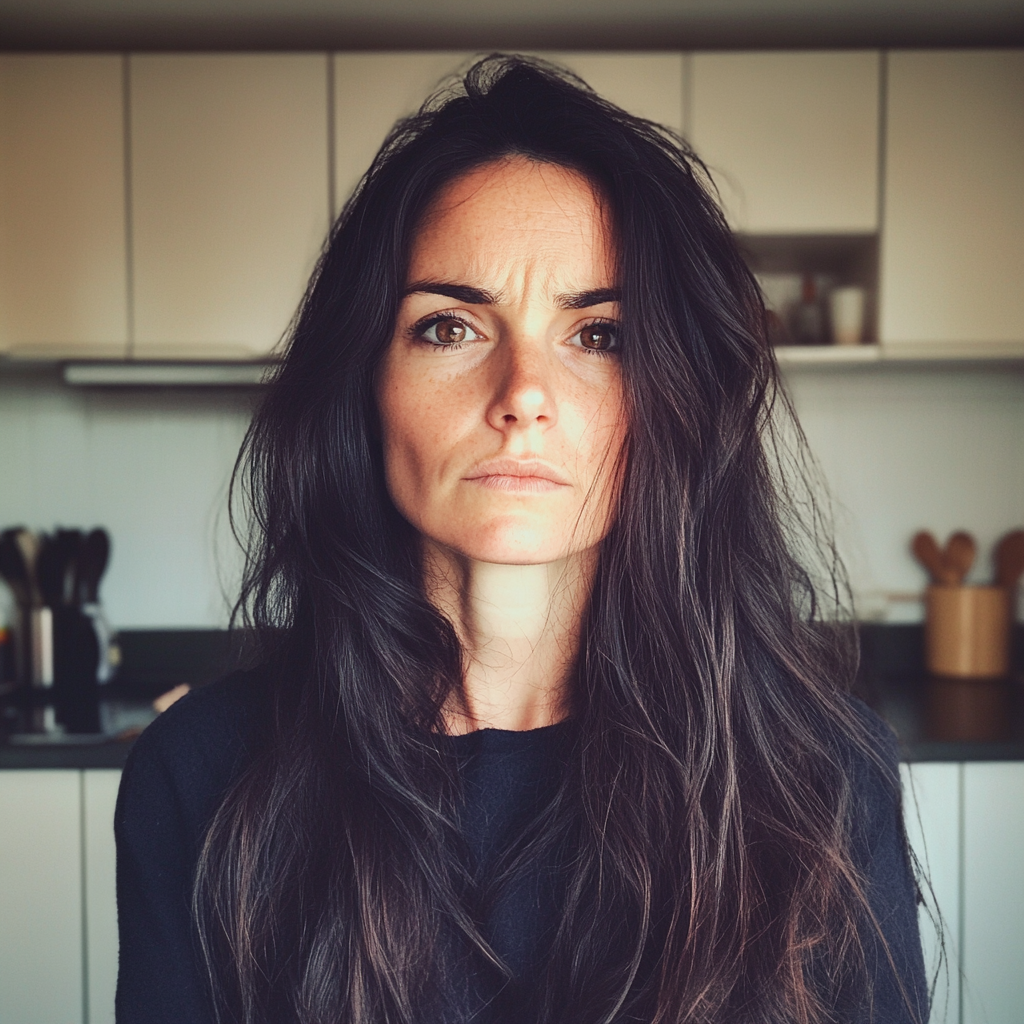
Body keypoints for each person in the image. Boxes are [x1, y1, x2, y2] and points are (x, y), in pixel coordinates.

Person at [114, 55, 928, 1024]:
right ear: (361, 383)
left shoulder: (821, 776)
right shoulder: (202, 772)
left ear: (675, 400)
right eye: (450, 327)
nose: (522, 397)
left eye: (599, 335)